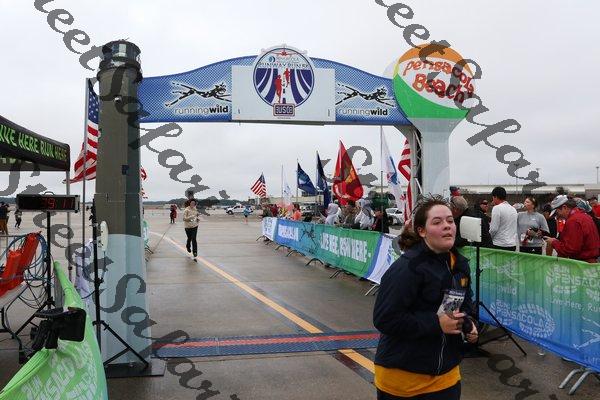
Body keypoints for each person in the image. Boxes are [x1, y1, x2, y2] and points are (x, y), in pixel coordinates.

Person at [373, 198, 477, 400]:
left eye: (450, 221)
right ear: (422, 231)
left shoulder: (459, 264)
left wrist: (469, 323)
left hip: (446, 377)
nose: (447, 226)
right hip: (403, 380)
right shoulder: (407, 268)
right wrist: (437, 324)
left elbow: (461, 306)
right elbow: (385, 319)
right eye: (437, 222)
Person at [544, 195, 600, 263]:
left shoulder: (573, 221)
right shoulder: (584, 216)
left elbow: (570, 250)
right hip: (590, 262)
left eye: (557, 213)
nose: (557, 217)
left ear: (564, 207)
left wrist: (554, 242)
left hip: (582, 264)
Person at [489, 187, 518, 251]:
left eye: (493, 197)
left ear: (495, 197)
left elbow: (493, 229)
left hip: (499, 244)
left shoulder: (496, 208)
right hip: (512, 244)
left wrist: (489, 238)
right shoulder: (513, 209)